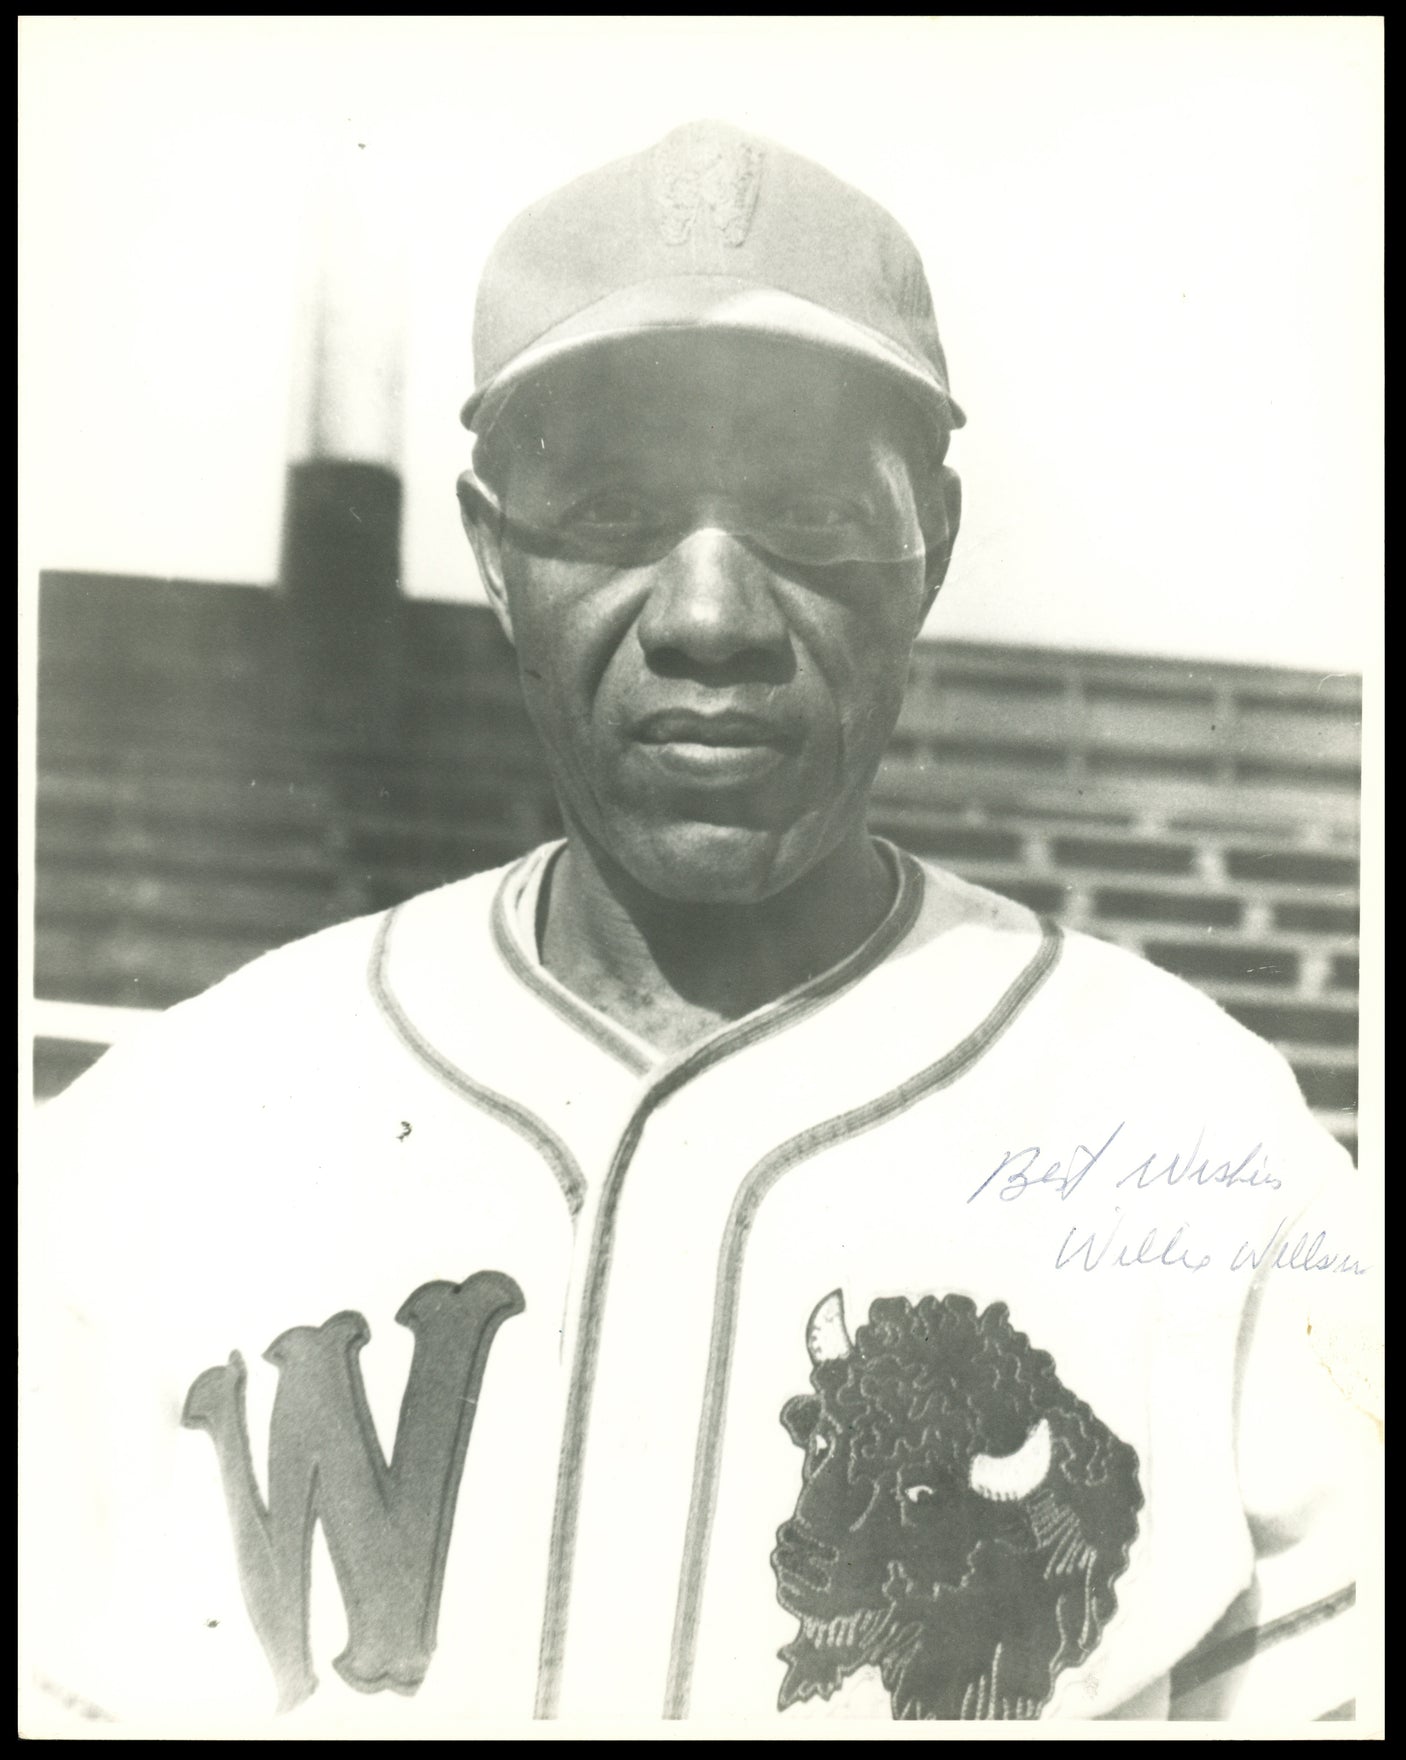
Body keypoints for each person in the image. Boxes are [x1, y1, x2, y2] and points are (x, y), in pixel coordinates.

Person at [21, 119, 1369, 1733]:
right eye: (605, 513)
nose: (711, 617)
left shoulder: (1197, 1140)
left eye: (807, 512)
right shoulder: (167, 1134)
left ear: (928, 545)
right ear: (492, 554)